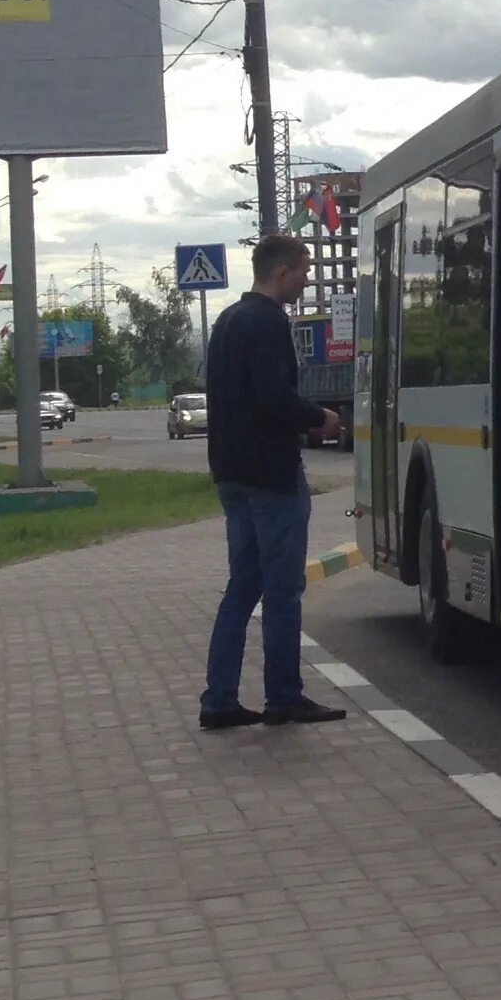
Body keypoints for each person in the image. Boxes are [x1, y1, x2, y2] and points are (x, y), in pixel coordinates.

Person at [199, 235, 347, 730]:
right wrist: (319, 417)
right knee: (283, 592)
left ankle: (219, 699)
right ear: (282, 272)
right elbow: (272, 397)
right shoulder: (267, 322)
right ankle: (284, 696)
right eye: (304, 271)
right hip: (271, 475)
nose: (306, 280)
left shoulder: (227, 321)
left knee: (242, 587)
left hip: (232, 474)